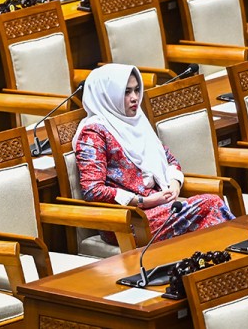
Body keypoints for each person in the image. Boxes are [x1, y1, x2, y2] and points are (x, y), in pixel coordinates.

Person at [74, 64, 234, 245]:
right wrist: (143, 201)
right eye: (126, 92)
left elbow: (170, 160)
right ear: (108, 96)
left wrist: (174, 184)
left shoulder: (136, 121)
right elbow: (92, 189)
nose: (135, 98)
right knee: (211, 204)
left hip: (159, 207)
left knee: (209, 224)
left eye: (136, 90)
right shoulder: (94, 133)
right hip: (129, 221)